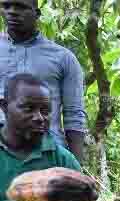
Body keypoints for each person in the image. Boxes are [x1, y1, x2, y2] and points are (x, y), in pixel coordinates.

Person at [0, 0, 86, 160]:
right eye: (6, 6)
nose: (11, 12)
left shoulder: (63, 58)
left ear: (37, 14)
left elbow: (74, 116)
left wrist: (76, 168)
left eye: (20, 7)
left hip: (47, 154)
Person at [0, 73, 81, 201]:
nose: (39, 118)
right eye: (28, 109)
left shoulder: (62, 160)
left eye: (45, 111)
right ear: (4, 107)